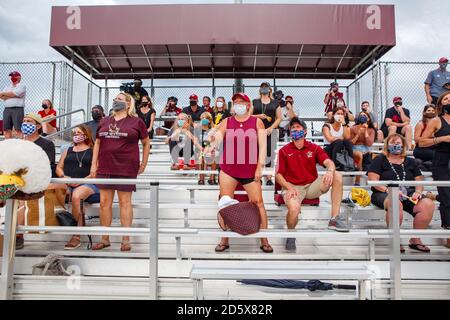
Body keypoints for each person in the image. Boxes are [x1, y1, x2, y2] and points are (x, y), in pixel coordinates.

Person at [205, 92, 273, 253]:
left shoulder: (257, 122)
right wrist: (211, 146)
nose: (238, 104)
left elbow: (263, 147)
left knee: (258, 203)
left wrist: (259, 167)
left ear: (248, 105)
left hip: (250, 169)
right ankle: (225, 239)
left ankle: (264, 239)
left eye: (242, 102)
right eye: (235, 102)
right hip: (229, 168)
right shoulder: (227, 122)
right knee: (225, 202)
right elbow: (217, 140)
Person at [90, 92, 150, 252]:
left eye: (120, 99)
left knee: (124, 202)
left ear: (129, 104)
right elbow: (97, 142)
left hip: (126, 167)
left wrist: (144, 163)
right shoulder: (104, 121)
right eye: (115, 99)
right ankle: (105, 238)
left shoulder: (136, 122)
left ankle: (125, 239)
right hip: (105, 166)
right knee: (104, 203)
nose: (116, 101)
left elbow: (145, 143)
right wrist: (93, 164)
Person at [276, 117, 347, 250]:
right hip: (293, 187)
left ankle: (334, 219)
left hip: (311, 186)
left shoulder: (314, 148)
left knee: (337, 175)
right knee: (294, 208)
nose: (295, 130)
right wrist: (289, 187)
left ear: (305, 131)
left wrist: (330, 171)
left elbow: (328, 162)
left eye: (298, 128)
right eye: (292, 128)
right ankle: (290, 234)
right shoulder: (284, 150)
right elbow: (278, 175)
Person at [368, 133, 435, 253]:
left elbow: (419, 180)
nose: (395, 145)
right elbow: (373, 181)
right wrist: (389, 190)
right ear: (387, 145)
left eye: (398, 143)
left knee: (428, 204)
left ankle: (415, 240)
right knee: (395, 202)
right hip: (383, 192)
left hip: (407, 193)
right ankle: (395, 240)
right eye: (393, 143)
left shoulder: (411, 161)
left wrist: (418, 191)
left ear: (403, 145)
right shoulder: (380, 159)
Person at [16, 113, 57, 250]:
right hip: (19, 178)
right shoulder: (19, 143)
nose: (25, 123)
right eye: (24, 121)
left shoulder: (46, 143)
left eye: (29, 121)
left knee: (20, 202)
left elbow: (46, 164)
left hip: (35, 179)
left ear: (38, 125)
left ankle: (18, 236)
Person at [56, 124, 99, 250]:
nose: (76, 135)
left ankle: (76, 236)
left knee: (77, 195)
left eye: (79, 133)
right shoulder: (67, 150)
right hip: (68, 182)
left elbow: (95, 172)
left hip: (89, 183)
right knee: (52, 188)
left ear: (86, 135)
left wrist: (79, 181)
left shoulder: (92, 151)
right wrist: (64, 177)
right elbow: (59, 167)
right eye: (74, 133)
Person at [420, 91, 450, 248]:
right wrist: (442, 138)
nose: (449, 100)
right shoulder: (436, 121)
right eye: (446, 98)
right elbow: (422, 142)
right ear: (441, 104)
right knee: (447, 197)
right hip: (442, 161)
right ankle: (448, 232)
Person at [251, 82, 282, 185]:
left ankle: (268, 177)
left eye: (266, 87)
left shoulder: (275, 103)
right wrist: (258, 116)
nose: (264, 89)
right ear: (260, 89)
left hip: (270, 132)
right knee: (256, 153)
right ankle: (257, 176)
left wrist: (271, 128)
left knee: (269, 154)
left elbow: (279, 118)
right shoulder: (255, 102)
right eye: (262, 87)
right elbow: (249, 115)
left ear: (269, 89)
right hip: (257, 131)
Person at [350, 111, 376, 185]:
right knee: (360, 155)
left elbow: (369, 144)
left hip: (366, 149)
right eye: (361, 115)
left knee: (364, 155)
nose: (362, 117)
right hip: (355, 149)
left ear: (368, 119)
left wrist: (365, 132)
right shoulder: (353, 128)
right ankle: (357, 181)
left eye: (364, 115)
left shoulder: (371, 130)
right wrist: (358, 134)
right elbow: (350, 143)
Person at [0, 71, 26, 139]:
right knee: (6, 129)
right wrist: (14, 95)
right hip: (7, 109)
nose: (12, 77)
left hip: (17, 109)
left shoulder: (22, 86)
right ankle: (8, 146)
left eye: (14, 76)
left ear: (19, 77)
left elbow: (16, 93)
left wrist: (6, 94)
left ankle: (20, 146)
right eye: (11, 76)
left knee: (18, 129)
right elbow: (1, 96)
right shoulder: (7, 86)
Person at [195, 112, 216, 185]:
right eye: (203, 118)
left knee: (214, 156)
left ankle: (212, 178)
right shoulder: (197, 130)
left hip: (210, 149)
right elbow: (196, 142)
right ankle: (201, 179)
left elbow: (213, 142)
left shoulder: (212, 130)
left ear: (209, 120)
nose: (204, 119)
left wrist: (208, 149)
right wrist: (201, 149)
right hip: (200, 149)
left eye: (206, 118)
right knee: (201, 157)